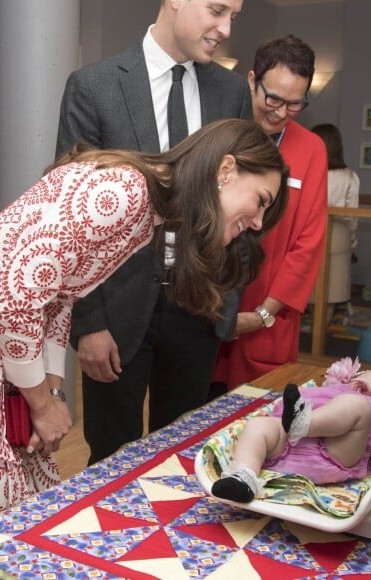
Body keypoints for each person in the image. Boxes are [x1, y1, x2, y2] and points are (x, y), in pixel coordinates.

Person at [0, 119, 288, 542]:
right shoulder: (127, 191)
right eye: (261, 201)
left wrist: (51, 393)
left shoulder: (148, 203)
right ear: (226, 170)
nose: (256, 222)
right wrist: (40, 403)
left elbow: (59, 296)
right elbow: (13, 300)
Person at [56, 0, 253, 465]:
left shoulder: (231, 93)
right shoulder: (95, 87)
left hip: (196, 309)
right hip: (116, 311)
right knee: (110, 460)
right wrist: (89, 325)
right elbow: (71, 219)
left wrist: (223, 305)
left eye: (233, 18)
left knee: (183, 458)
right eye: (217, 9)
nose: (225, 29)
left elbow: (245, 204)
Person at [213, 35, 328, 389]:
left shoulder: (311, 149)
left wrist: (264, 314)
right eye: (274, 98)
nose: (281, 112)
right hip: (206, 311)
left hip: (266, 320)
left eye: (295, 104)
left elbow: (308, 246)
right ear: (252, 79)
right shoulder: (219, 132)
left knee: (261, 428)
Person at [211, 357, 371, 503]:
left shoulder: (368, 402)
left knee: (358, 406)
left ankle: (304, 422)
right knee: (259, 425)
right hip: (290, 446)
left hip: (336, 453)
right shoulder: (333, 392)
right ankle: (243, 478)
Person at [310, 123, 360, 325]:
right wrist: (353, 241)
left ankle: (313, 330)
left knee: (311, 284)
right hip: (339, 233)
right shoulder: (349, 176)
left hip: (311, 230)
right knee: (333, 287)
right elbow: (353, 214)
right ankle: (320, 332)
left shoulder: (311, 173)